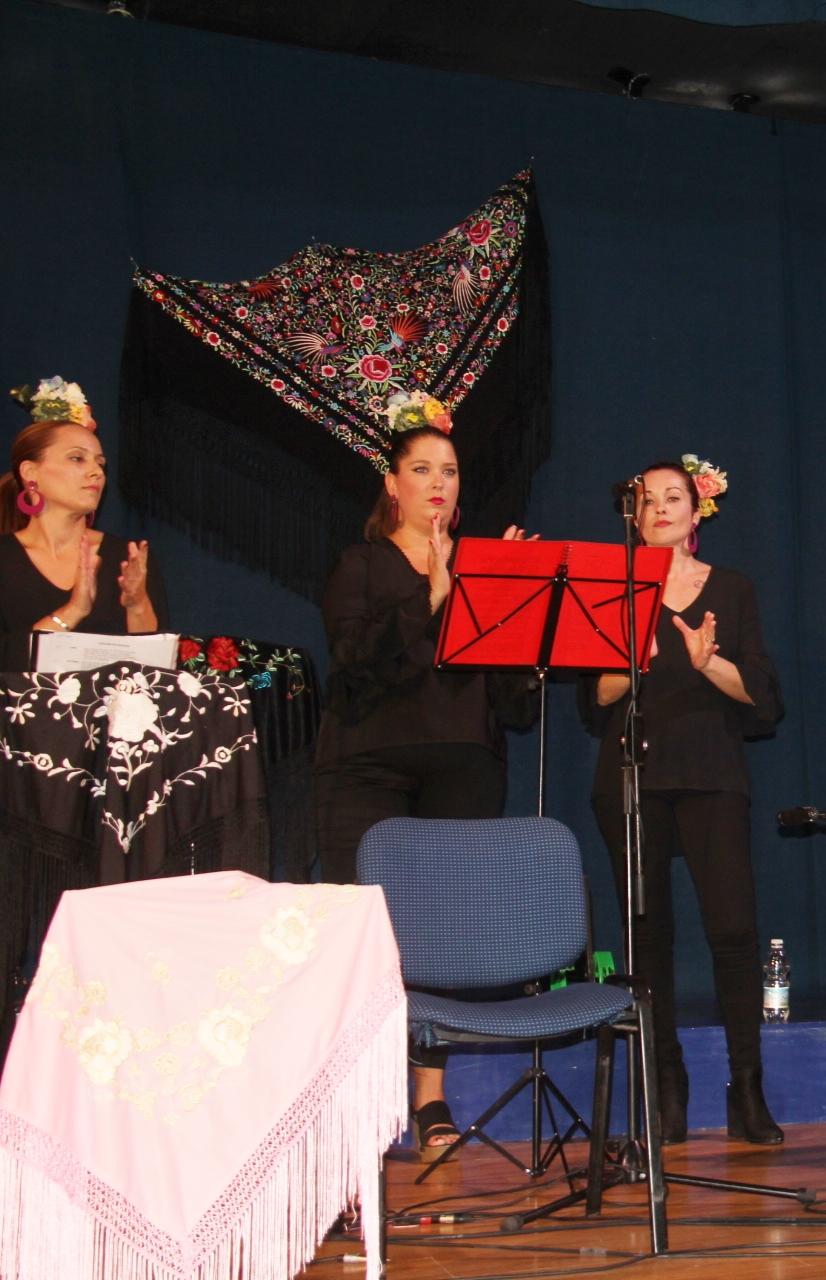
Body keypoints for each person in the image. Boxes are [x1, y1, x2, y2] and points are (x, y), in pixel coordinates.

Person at [310, 392, 538, 1152]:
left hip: (462, 764)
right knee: (364, 936)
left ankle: (429, 1099)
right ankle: (356, 1103)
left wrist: (516, 604)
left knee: (439, 934)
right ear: (392, 483)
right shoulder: (361, 564)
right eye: (422, 469)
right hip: (367, 769)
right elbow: (355, 664)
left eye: (450, 471)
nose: (439, 483)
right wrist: (434, 596)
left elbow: (516, 701)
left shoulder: (482, 566)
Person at [586, 455, 786, 1145]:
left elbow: (763, 697)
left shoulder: (731, 589)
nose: (661, 508)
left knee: (732, 930)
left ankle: (747, 1089)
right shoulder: (612, 588)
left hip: (711, 773)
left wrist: (708, 663)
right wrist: (633, 659)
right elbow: (595, 698)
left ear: (696, 511)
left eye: (674, 496)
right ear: (634, 514)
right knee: (649, 938)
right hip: (633, 775)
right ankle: (665, 1086)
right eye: (648, 499)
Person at [1, 377, 166, 670]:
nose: (96, 472)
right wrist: (73, 611)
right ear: (30, 472)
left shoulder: (127, 558)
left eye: (100, 463)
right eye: (77, 459)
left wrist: (137, 604)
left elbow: (156, 672)